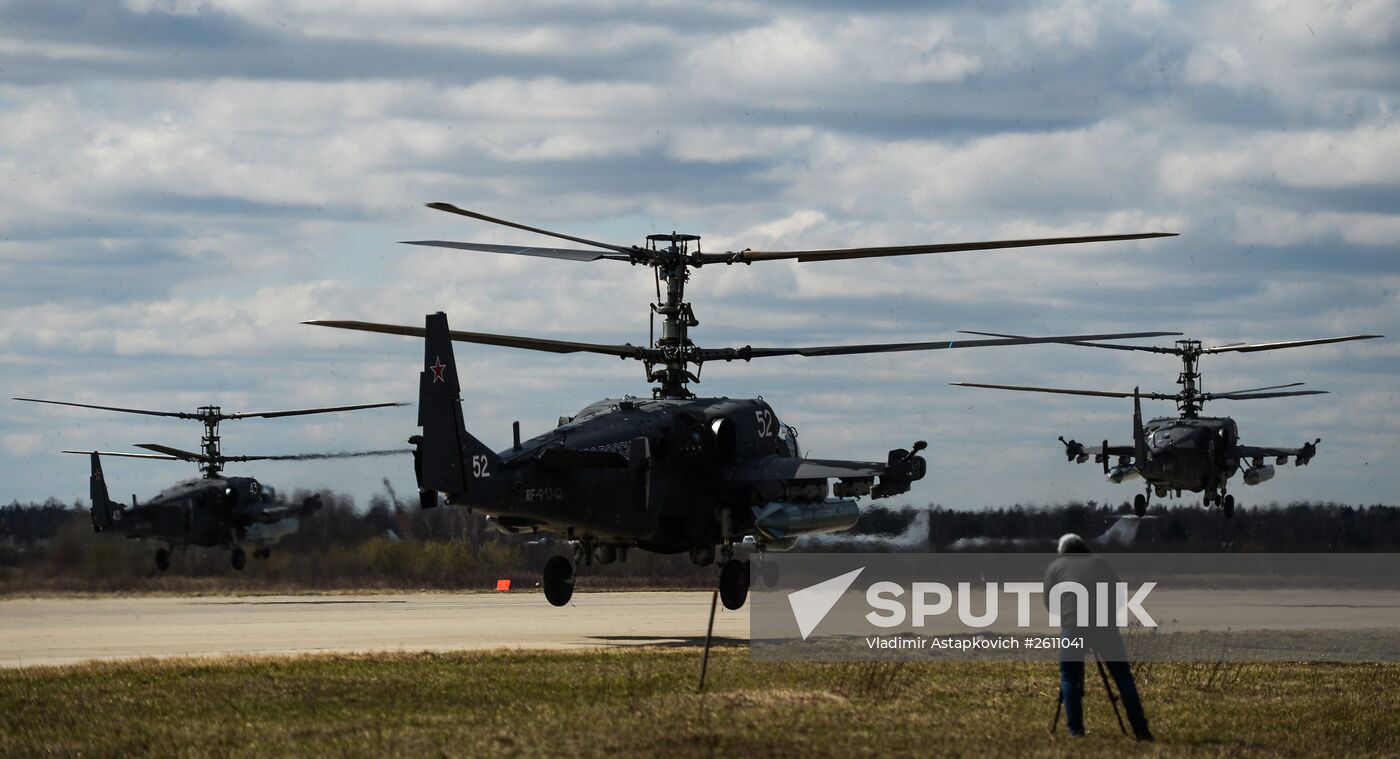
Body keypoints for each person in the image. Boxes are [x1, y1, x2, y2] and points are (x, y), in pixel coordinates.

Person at [1045, 533, 1154, 741]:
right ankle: (1141, 730)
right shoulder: (1100, 562)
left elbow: (1050, 603)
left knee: (1069, 677)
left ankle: (1075, 731)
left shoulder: (1055, 567)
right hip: (1104, 626)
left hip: (1073, 626)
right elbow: (1119, 595)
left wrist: (1069, 615)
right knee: (1123, 677)